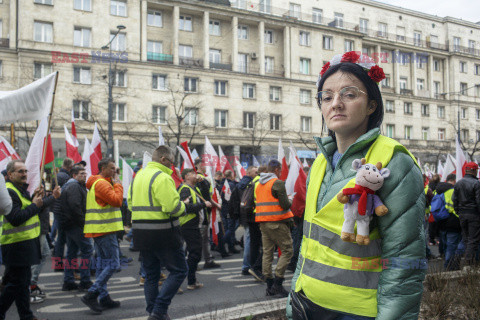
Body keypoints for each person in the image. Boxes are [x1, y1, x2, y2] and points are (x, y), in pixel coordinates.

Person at [288, 52, 425, 320]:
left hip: (357, 313)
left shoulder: (394, 161)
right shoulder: (319, 163)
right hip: (308, 303)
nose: (336, 104)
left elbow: (404, 260)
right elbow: (308, 243)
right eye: (326, 97)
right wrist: (294, 298)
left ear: (372, 105)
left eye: (349, 94)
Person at [130, 146, 188, 320]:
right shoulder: (162, 177)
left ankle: (153, 313)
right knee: (179, 271)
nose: (173, 166)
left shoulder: (139, 175)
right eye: (171, 162)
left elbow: (130, 203)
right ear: (163, 159)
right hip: (163, 233)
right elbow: (172, 207)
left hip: (141, 232)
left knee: (151, 275)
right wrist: (185, 207)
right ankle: (159, 311)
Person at [0, 160, 60, 320]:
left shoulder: (19, 190)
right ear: (10, 174)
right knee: (16, 285)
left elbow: (34, 207)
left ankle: (26, 315)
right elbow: (16, 218)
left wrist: (52, 197)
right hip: (16, 245)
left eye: (25, 171)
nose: (25, 174)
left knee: (21, 284)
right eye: (20, 171)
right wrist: (34, 204)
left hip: (23, 244)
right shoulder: (9, 191)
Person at [81, 158, 124, 314]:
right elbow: (117, 201)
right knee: (114, 264)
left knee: (102, 264)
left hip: (101, 229)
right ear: (103, 168)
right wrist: (118, 183)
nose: (114, 171)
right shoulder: (102, 183)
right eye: (112, 168)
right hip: (105, 229)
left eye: (115, 169)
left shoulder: (98, 182)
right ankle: (92, 293)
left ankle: (104, 297)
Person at [255, 160, 293, 298]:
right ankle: (278, 283)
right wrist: (291, 200)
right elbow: (284, 205)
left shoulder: (259, 184)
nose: (281, 171)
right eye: (281, 169)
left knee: (267, 253)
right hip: (277, 223)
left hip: (263, 223)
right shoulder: (277, 183)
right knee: (288, 251)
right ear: (276, 169)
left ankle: (269, 286)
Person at [60, 166, 94, 291]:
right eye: (81, 174)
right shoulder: (74, 186)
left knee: (71, 253)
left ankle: (68, 281)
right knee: (87, 250)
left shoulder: (71, 185)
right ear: (74, 175)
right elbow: (75, 206)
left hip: (70, 224)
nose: (85, 176)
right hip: (76, 225)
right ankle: (85, 280)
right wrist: (83, 223)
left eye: (85, 173)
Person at [179, 168, 212, 290]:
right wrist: (203, 205)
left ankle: (191, 279)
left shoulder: (194, 188)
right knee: (195, 253)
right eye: (193, 173)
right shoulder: (185, 189)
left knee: (195, 252)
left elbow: (206, 195)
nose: (196, 175)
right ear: (186, 177)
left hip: (194, 225)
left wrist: (203, 182)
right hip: (188, 224)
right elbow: (186, 207)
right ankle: (189, 279)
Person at [194, 158, 220, 269]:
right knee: (199, 238)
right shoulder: (200, 179)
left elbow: (208, 197)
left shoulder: (203, 179)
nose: (205, 167)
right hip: (201, 212)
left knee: (203, 238)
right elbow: (205, 197)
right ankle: (192, 261)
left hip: (205, 210)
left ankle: (207, 259)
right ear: (199, 165)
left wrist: (215, 204)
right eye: (204, 165)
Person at [453, 162, 480, 266]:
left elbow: (455, 200)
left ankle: (457, 259)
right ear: (474, 171)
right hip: (473, 214)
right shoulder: (476, 183)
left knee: (465, 239)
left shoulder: (458, 183)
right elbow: (478, 201)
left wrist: (458, 212)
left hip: (462, 214)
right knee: (473, 240)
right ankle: (469, 263)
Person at [434, 174, 461, 270]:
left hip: (441, 222)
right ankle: (449, 267)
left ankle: (447, 262)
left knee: (446, 245)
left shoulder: (439, 191)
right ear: (454, 180)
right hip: (453, 222)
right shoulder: (452, 191)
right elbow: (454, 207)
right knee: (452, 246)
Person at [234, 166, 258, 276]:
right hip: (250, 215)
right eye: (255, 171)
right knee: (250, 241)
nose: (257, 173)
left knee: (248, 240)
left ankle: (247, 265)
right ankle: (247, 266)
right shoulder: (251, 184)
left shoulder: (240, 184)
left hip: (244, 215)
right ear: (248, 173)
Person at [51, 158, 74, 264]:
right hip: (63, 210)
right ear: (69, 166)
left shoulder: (58, 175)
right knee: (63, 238)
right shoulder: (65, 177)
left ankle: (57, 261)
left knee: (60, 237)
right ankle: (60, 261)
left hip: (58, 208)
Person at [248, 165, 266, 282]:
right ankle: (256, 268)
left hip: (252, 215)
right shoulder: (260, 182)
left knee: (254, 244)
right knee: (265, 245)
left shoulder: (252, 182)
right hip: (259, 215)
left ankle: (253, 266)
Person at [220, 170, 239, 254]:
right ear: (231, 176)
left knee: (228, 228)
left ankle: (231, 247)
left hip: (224, 209)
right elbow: (233, 198)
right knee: (231, 228)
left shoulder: (222, 184)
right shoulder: (231, 185)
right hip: (229, 209)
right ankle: (221, 244)